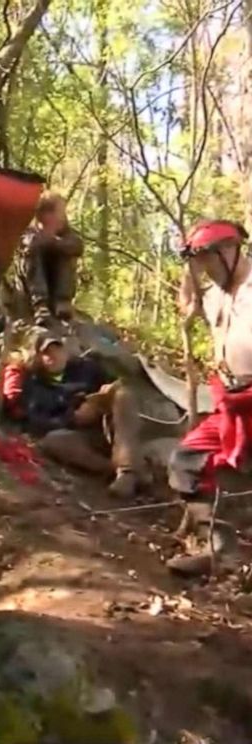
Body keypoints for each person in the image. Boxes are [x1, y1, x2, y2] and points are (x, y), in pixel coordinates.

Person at [168, 219, 252, 576]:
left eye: (209, 263)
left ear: (230, 252)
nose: (206, 272)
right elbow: (187, 306)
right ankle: (224, 553)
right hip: (231, 401)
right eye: (200, 265)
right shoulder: (217, 294)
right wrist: (189, 265)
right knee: (186, 463)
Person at [14, 333, 147, 498]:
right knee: (53, 441)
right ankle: (125, 472)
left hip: (109, 428)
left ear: (66, 351)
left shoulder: (86, 368)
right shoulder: (34, 384)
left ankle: (127, 471)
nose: (52, 356)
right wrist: (73, 418)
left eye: (57, 349)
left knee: (123, 395)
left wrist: (98, 399)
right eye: (46, 353)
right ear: (38, 357)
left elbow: (116, 384)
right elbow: (35, 422)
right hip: (77, 434)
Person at [17, 192, 84, 326]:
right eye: (59, 213)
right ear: (46, 215)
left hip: (57, 290)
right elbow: (28, 245)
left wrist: (54, 241)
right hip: (31, 293)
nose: (62, 218)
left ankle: (62, 302)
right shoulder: (30, 232)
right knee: (33, 252)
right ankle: (41, 305)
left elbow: (77, 246)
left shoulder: (66, 233)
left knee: (65, 251)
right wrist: (45, 238)